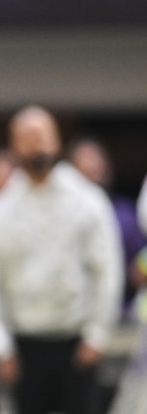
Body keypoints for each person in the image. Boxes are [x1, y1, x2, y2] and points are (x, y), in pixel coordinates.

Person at [0, 107, 123, 414]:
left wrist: (97, 334)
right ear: (14, 146)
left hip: (76, 339)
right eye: (27, 138)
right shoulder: (2, 210)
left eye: (43, 136)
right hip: (25, 342)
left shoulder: (86, 200)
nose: (37, 146)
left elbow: (107, 269)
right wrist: (2, 344)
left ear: (57, 141)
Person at [69, 136, 147, 318]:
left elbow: (141, 261)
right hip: (75, 317)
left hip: (122, 314)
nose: (94, 167)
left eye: (97, 162)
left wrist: (137, 271)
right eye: (85, 166)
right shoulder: (63, 216)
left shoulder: (124, 214)